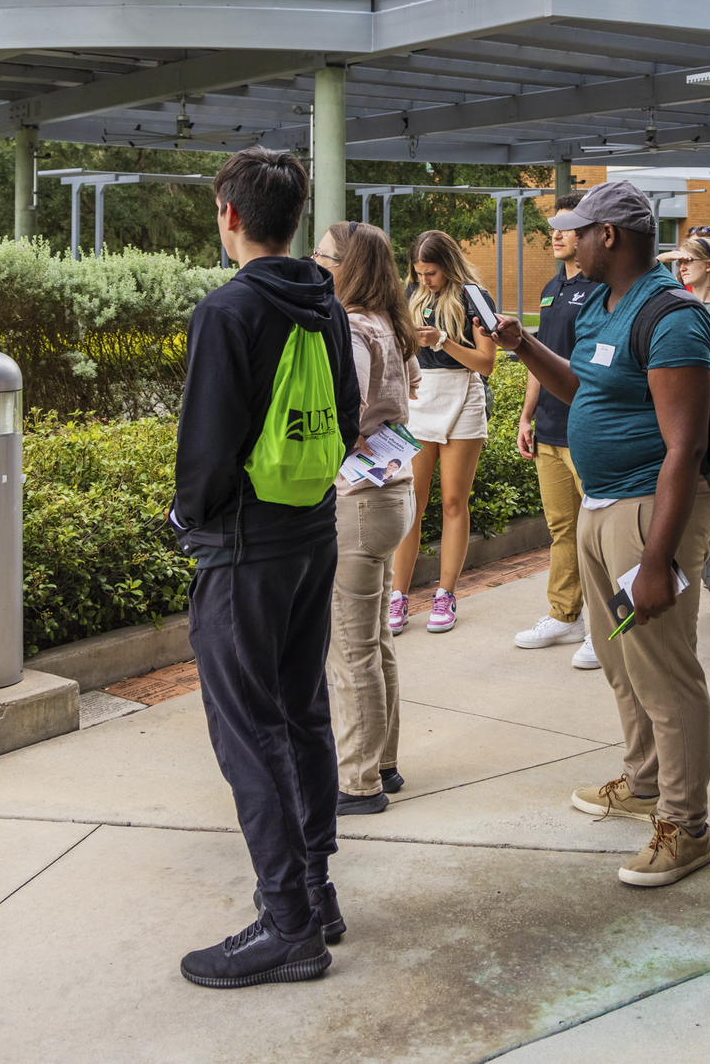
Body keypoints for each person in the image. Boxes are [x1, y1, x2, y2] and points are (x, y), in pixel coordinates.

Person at [485, 181, 710, 888]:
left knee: (663, 667)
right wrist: (524, 345)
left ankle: (687, 825)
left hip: (647, 514)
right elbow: (584, 388)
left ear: (609, 236)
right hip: (599, 509)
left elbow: (685, 447)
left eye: (576, 231)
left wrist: (655, 561)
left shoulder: (673, 318)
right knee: (622, 662)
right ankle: (646, 781)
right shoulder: (598, 306)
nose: (567, 242)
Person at [168, 147, 362, 989]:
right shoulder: (325, 300)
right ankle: (316, 892)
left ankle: (285, 922)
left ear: (230, 216)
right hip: (313, 530)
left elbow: (206, 447)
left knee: (247, 729)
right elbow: (348, 417)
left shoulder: (228, 309)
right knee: (302, 710)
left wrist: (186, 515)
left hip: (243, 547)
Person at [315, 221, 420, 818]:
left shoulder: (352, 328)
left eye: (323, 256)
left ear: (348, 267)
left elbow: (345, 412)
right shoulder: (393, 327)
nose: (316, 264)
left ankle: (357, 783)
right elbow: (408, 391)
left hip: (356, 500)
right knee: (375, 639)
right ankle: (383, 761)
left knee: (351, 648)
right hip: (392, 495)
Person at [390, 231, 499, 635]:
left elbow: (486, 364)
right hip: (420, 397)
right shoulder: (407, 294)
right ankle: (397, 596)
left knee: (454, 501)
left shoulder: (475, 298)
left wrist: (443, 340)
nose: (424, 280)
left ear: (447, 265)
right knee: (411, 502)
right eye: (418, 273)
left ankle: (445, 593)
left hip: (462, 396)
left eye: (431, 272)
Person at [514, 194, 600, 669]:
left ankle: (604, 627)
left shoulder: (602, 287)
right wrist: (526, 417)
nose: (558, 234)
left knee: (597, 533)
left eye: (568, 227)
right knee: (562, 529)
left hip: (585, 427)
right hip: (548, 428)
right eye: (554, 228)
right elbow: (537, 358)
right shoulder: (550, 289)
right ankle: (565, 615)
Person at [659, 227, 710, 319]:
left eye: (688, 261)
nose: (682, 268)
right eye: (680, 263)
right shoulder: (678, 304)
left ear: (709, 265)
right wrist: (659, 259)